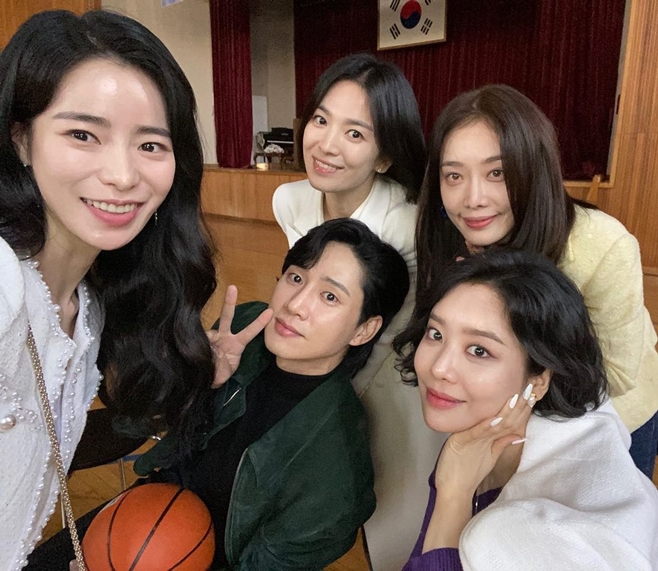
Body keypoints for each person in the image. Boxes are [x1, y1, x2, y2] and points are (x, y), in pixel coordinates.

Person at [0, 10, 216, 570]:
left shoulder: (89, 308)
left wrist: (198, 374)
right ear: (21, 139)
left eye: (151, 145)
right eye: (82, 135)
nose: (123, 175)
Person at [130, 218, 410, 570]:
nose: (295, 305)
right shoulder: (244, 330)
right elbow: (134, 424)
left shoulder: (335, 468)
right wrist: (190, 377)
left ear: (364, 330)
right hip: (144, 512)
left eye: (329, 296)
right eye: (296, 278)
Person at [415, 84, 658, 477]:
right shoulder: (449, 237)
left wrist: (511, 385)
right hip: (498, 418)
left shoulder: (601, 244)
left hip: (604, 418)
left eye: (497, 173)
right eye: (454, 175)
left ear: (534, 168)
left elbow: (617, 373)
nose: (473, 198)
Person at [272, 53, 438, 570]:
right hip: (330, 353)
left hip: (392, 363)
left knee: (395, 497)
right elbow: (302, 285)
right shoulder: (289, 201)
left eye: (355, 133)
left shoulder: (406, 224)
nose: (326, 144)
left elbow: (396, 334)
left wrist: (336, 390)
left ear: (384, 157)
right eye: (320, 120)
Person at [394, 250, 658, 570]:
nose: (439, 368)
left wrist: (453, 496)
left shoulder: (550, 536)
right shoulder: (478, 442)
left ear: (539, 378)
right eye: (436, 334)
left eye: (479, 350)